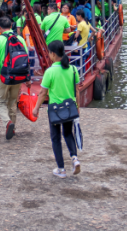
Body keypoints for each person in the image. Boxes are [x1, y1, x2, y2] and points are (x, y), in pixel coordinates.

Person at [32, 40, 81, 178]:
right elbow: (77, 90)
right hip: (69, 108)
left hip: (54, 110)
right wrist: (77, 106)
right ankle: (74, 158)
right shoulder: (72, 69)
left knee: (55, 138)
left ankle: (61, 169)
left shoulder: (50, 71)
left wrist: (36, 108)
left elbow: (43, 93)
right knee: (68, 133)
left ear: (53, 54)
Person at [0, 17, 31, 140]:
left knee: (0, 101)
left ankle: (7, 122)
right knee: (12, 101)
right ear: (11, 26)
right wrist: (28, 78)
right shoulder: (20, 38)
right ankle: (13, 128)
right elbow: (26, 59)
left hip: (3, 76)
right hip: (18, 75)